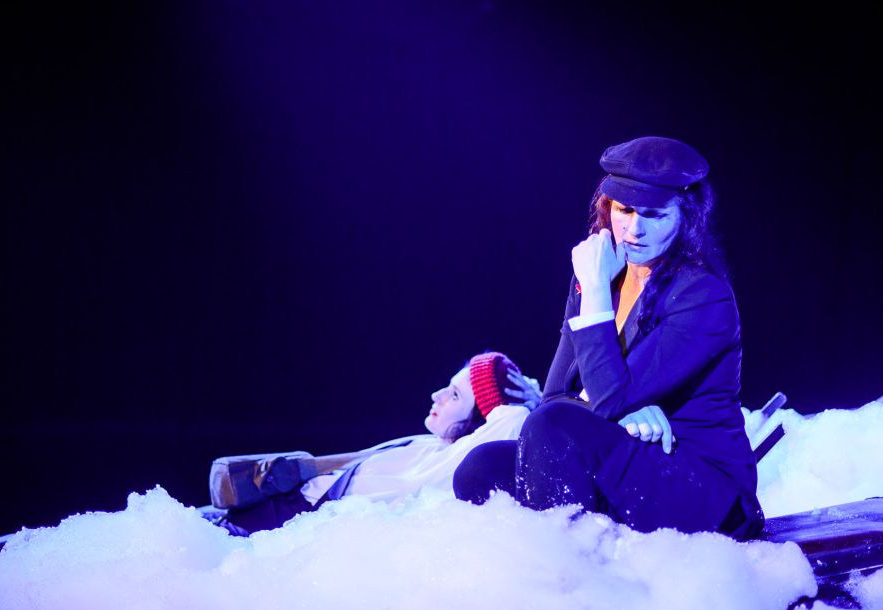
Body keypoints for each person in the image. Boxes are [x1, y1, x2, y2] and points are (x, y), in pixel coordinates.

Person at [453, 137, 763, 540]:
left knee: (554, 427)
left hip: (701, 487)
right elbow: (555, 396)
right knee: (481, 468)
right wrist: (622, 410)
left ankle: (567, 569)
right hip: (632, 460)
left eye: (654, 214)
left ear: (686, 217)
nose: (634, 229)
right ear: (608, 207)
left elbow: (606, 401)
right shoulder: (597, 278)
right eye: (624, 210)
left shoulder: (703, 296)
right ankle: (551, 557)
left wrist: (596, 291)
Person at [219, 351, 541, 535]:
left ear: (483, 420)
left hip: (289, 523)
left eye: (455, 395)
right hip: (282, 510)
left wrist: (529, 403)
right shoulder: (430, 447)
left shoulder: (451, 463)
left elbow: (510, 421)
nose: (437, 396)